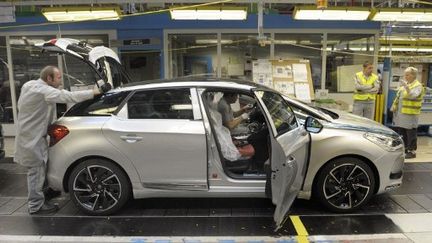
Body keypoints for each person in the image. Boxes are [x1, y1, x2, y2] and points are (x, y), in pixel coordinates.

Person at [14, 66, 108, 215]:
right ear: (49, 79)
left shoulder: (30, 85)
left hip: (33, 135)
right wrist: (94, 92)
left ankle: (44, 195)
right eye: (58, 77)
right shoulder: (42, 90)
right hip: (32, 138)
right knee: (36, 171)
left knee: (41, 168)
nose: (60, 80)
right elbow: (66, 96)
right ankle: (36, 206)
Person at [205, 92, 255, 161]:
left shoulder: (226, 103)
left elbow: (233, 115)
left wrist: (243, 109)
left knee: (248, 127)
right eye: (236, 95)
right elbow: (229, 126)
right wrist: (242, 117)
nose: (237, 98)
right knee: (249, 130)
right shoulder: (223, 106)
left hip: (228, 129)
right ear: (230, 95)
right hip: (229, 131)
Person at [391, 67, 425, 159]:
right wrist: (394, 106)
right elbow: (398, 96)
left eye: (407, 74)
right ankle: (405, 149)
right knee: (402, 132)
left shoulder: (417, 86)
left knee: (410, 133)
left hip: (411, 113)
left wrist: (406, 87)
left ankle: (412, 151)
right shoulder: (405, 85)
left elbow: (413, 96)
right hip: (401, 113)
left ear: (413, 75)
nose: (405, 76)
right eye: (405, 74)